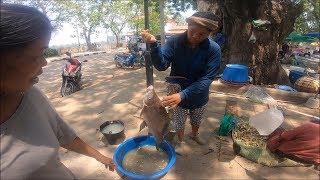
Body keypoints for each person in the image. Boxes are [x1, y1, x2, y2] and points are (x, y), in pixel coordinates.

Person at [0, 4, 114, 179]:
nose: (45, 62)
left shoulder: (31, 95)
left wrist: (100, 156)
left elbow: (62, 134)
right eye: (38, 54)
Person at [141, 12, 221, 151]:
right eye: (192, 31)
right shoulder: (174, 42)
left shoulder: (214, 49)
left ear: (209, 33)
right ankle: (181, 140)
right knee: (179, 121)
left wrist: (183, 95)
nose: (196, 36)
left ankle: (194, 134)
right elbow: (161, 65)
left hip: (199, 94)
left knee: (196, 118)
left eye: (202, 34)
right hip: (176, 94)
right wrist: (154, 45)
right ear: (188, 26)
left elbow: (207, 78)